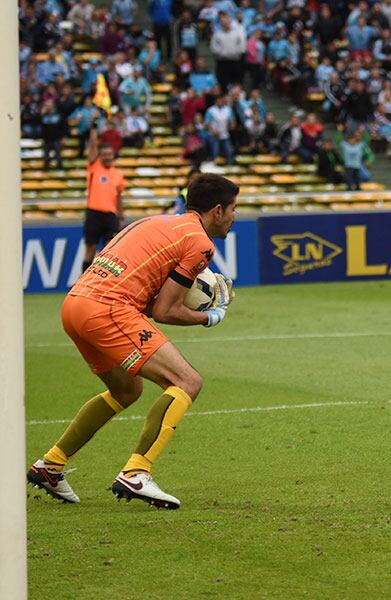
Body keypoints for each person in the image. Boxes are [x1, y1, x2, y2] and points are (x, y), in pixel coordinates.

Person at [27, 174, 239, 509]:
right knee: (187, 381)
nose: (233, 217)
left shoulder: (154, 222)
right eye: (232, 209)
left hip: (75, 304)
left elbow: (153, 300)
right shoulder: (200, 244)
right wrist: (209, 316)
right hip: (107, 309)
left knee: (127, 390)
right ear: (216, 210)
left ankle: (51, 465)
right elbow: (166, 311)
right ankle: (137, 472)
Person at [81, 125, 126, 273]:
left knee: (111, 252)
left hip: (110, 216)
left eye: (109, 154)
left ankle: (106, 283)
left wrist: (121, 215)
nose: (107, 156)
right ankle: (84, 283)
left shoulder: (118, 174)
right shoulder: (94, 167)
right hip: (93, 213)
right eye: (104, 154)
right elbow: (93, 144)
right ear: (99, 156)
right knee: (90, 250)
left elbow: (119, 197)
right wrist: (94, 127)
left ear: (113, 155)